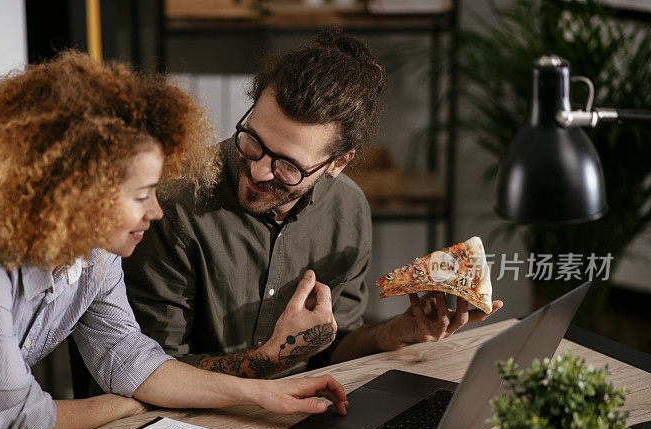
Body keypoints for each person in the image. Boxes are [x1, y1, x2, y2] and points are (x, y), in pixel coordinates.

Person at [0, 51, 347, 429]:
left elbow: (125, 355)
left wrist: (261, 393)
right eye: (141, 196)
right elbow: (23, 427)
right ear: (77, 196)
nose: (156, 212)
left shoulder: (96, 251)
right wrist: (129, 405)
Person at [123, 30, 503, 378]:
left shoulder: (348, 210)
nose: (258, 170)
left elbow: (332, 349)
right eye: (252, 140)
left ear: (337, 163)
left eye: (288, 165)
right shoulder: (171, 205)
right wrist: (270, 360)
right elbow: (151, 371)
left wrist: (397, 332)